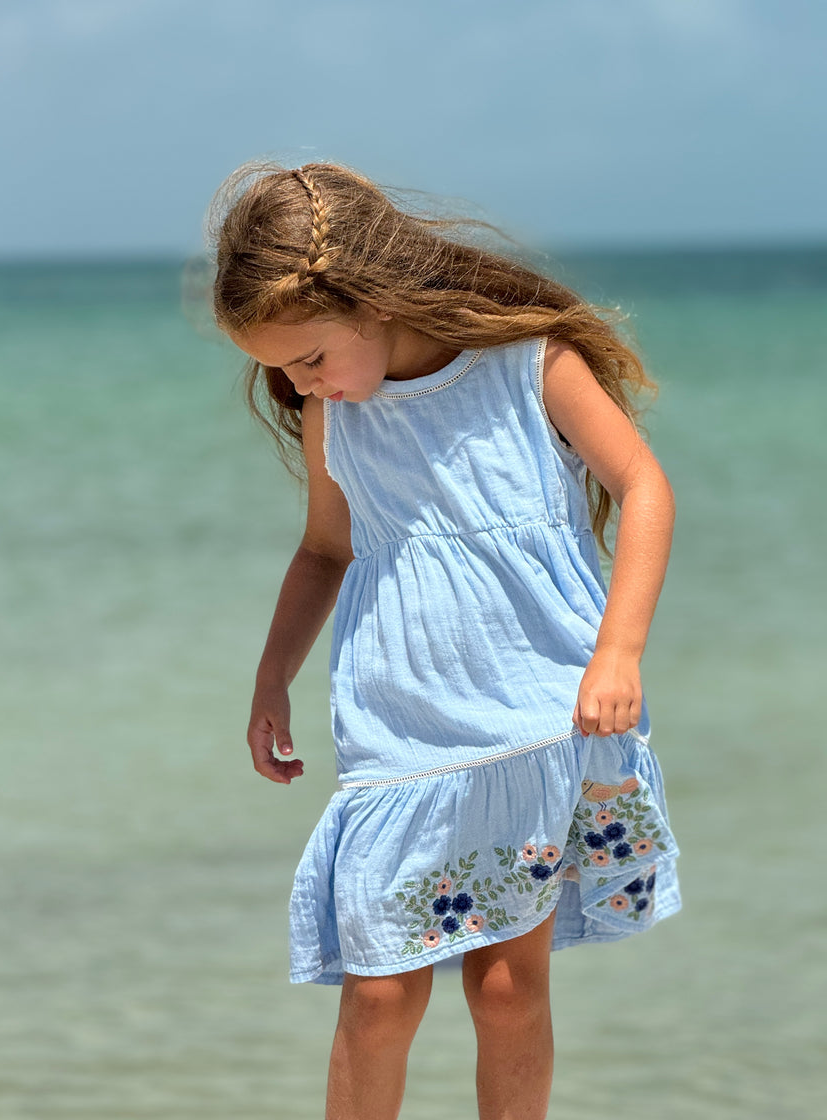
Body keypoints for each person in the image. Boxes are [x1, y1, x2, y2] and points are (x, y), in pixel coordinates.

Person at [208, 161, 681, 1120]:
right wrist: (272, 679)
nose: (299, 386)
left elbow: (644, 489)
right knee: (378, 994)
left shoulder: (530, 366)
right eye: (281, 371)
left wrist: (619, 652)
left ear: (368, 303)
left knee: (506, 992)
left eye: (307, 359)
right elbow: (323, 550)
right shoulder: (334, 420)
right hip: (401, 735)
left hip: (536, 721)